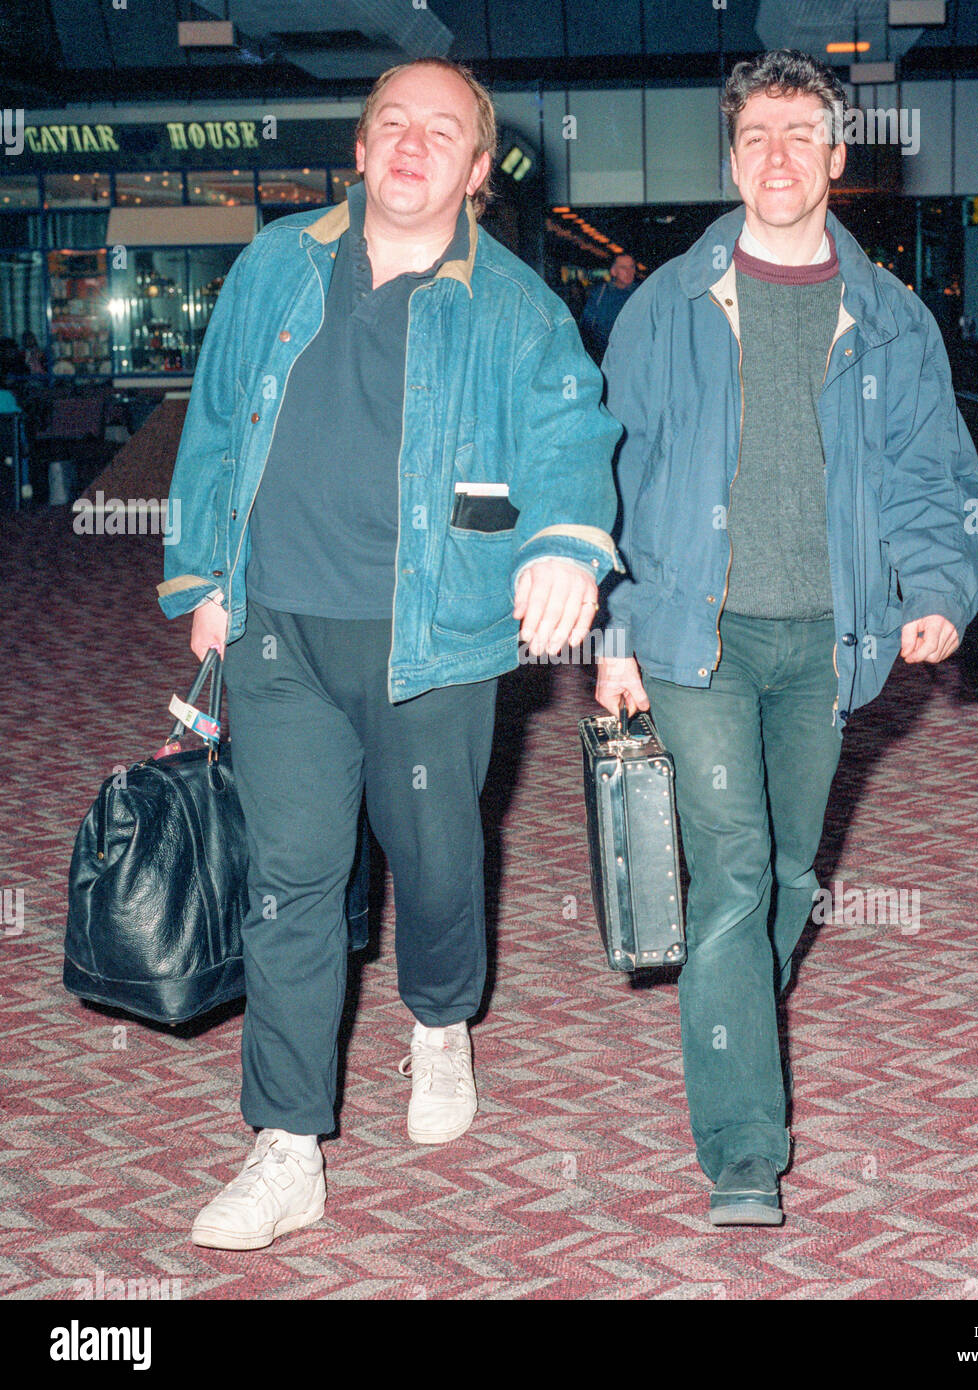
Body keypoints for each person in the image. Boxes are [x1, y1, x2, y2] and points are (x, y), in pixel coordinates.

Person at [158, 57, 621, 1250]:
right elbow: (215, 423)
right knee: (292, 880)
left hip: (439, 637)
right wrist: (206, 577)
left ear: (475, 171)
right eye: (390, 126)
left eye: (442, 133)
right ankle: (283, 1143)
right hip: (278, 633)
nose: (412, 146)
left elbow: (573, 430)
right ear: (360, 151)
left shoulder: (514, 305)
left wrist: (565, 543)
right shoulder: (275, 266)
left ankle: (438, 1019)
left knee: (434, 857)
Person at [594, 50, 978, 1227]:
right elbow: (608, 477)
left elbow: (933, 474)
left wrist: (938, 583)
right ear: (732, 158)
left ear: (834, 155)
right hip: (692, 634)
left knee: (781, 873)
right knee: (726, 873)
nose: (776, 156)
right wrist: (612, 629)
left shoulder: (890, 317)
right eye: (754, 136)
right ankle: (741, 1146)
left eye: (798, 135)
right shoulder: (664, 303)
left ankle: (728, 1025)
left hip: (827, 635)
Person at [580, 253, 637, 362]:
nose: (629, 272)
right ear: (613, 271)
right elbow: (587, 323)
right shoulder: (600, 293)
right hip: (604, 356)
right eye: (623, 267)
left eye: (632, 267)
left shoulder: (642, 294)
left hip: (632, 356)